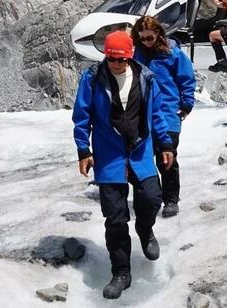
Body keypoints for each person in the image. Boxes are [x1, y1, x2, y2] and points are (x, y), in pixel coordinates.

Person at [73, 30, 175, 299]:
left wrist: (165, 143)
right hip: (109, 155)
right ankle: (121, 273)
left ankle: (145, 228)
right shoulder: (93, 78)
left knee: (152, 198)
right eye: (110, 59)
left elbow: (157, 113)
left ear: (129, 57)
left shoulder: (147, 78)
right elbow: (82, 115)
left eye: (120, 60)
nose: (115, 64)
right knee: (115, 218)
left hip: (140, 151)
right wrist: (83, 149)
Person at [131, 16, 196, 218]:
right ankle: (152, 196)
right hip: (144, 112)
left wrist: (186, 104)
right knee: (142, 156)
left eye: (149, 37)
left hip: (168, 112)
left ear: (158, 33)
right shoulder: (137, 54)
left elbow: (187, 79)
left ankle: (170, 199)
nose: (146, 42)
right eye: (142, 38)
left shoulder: (173, 53)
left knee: (166, 156)